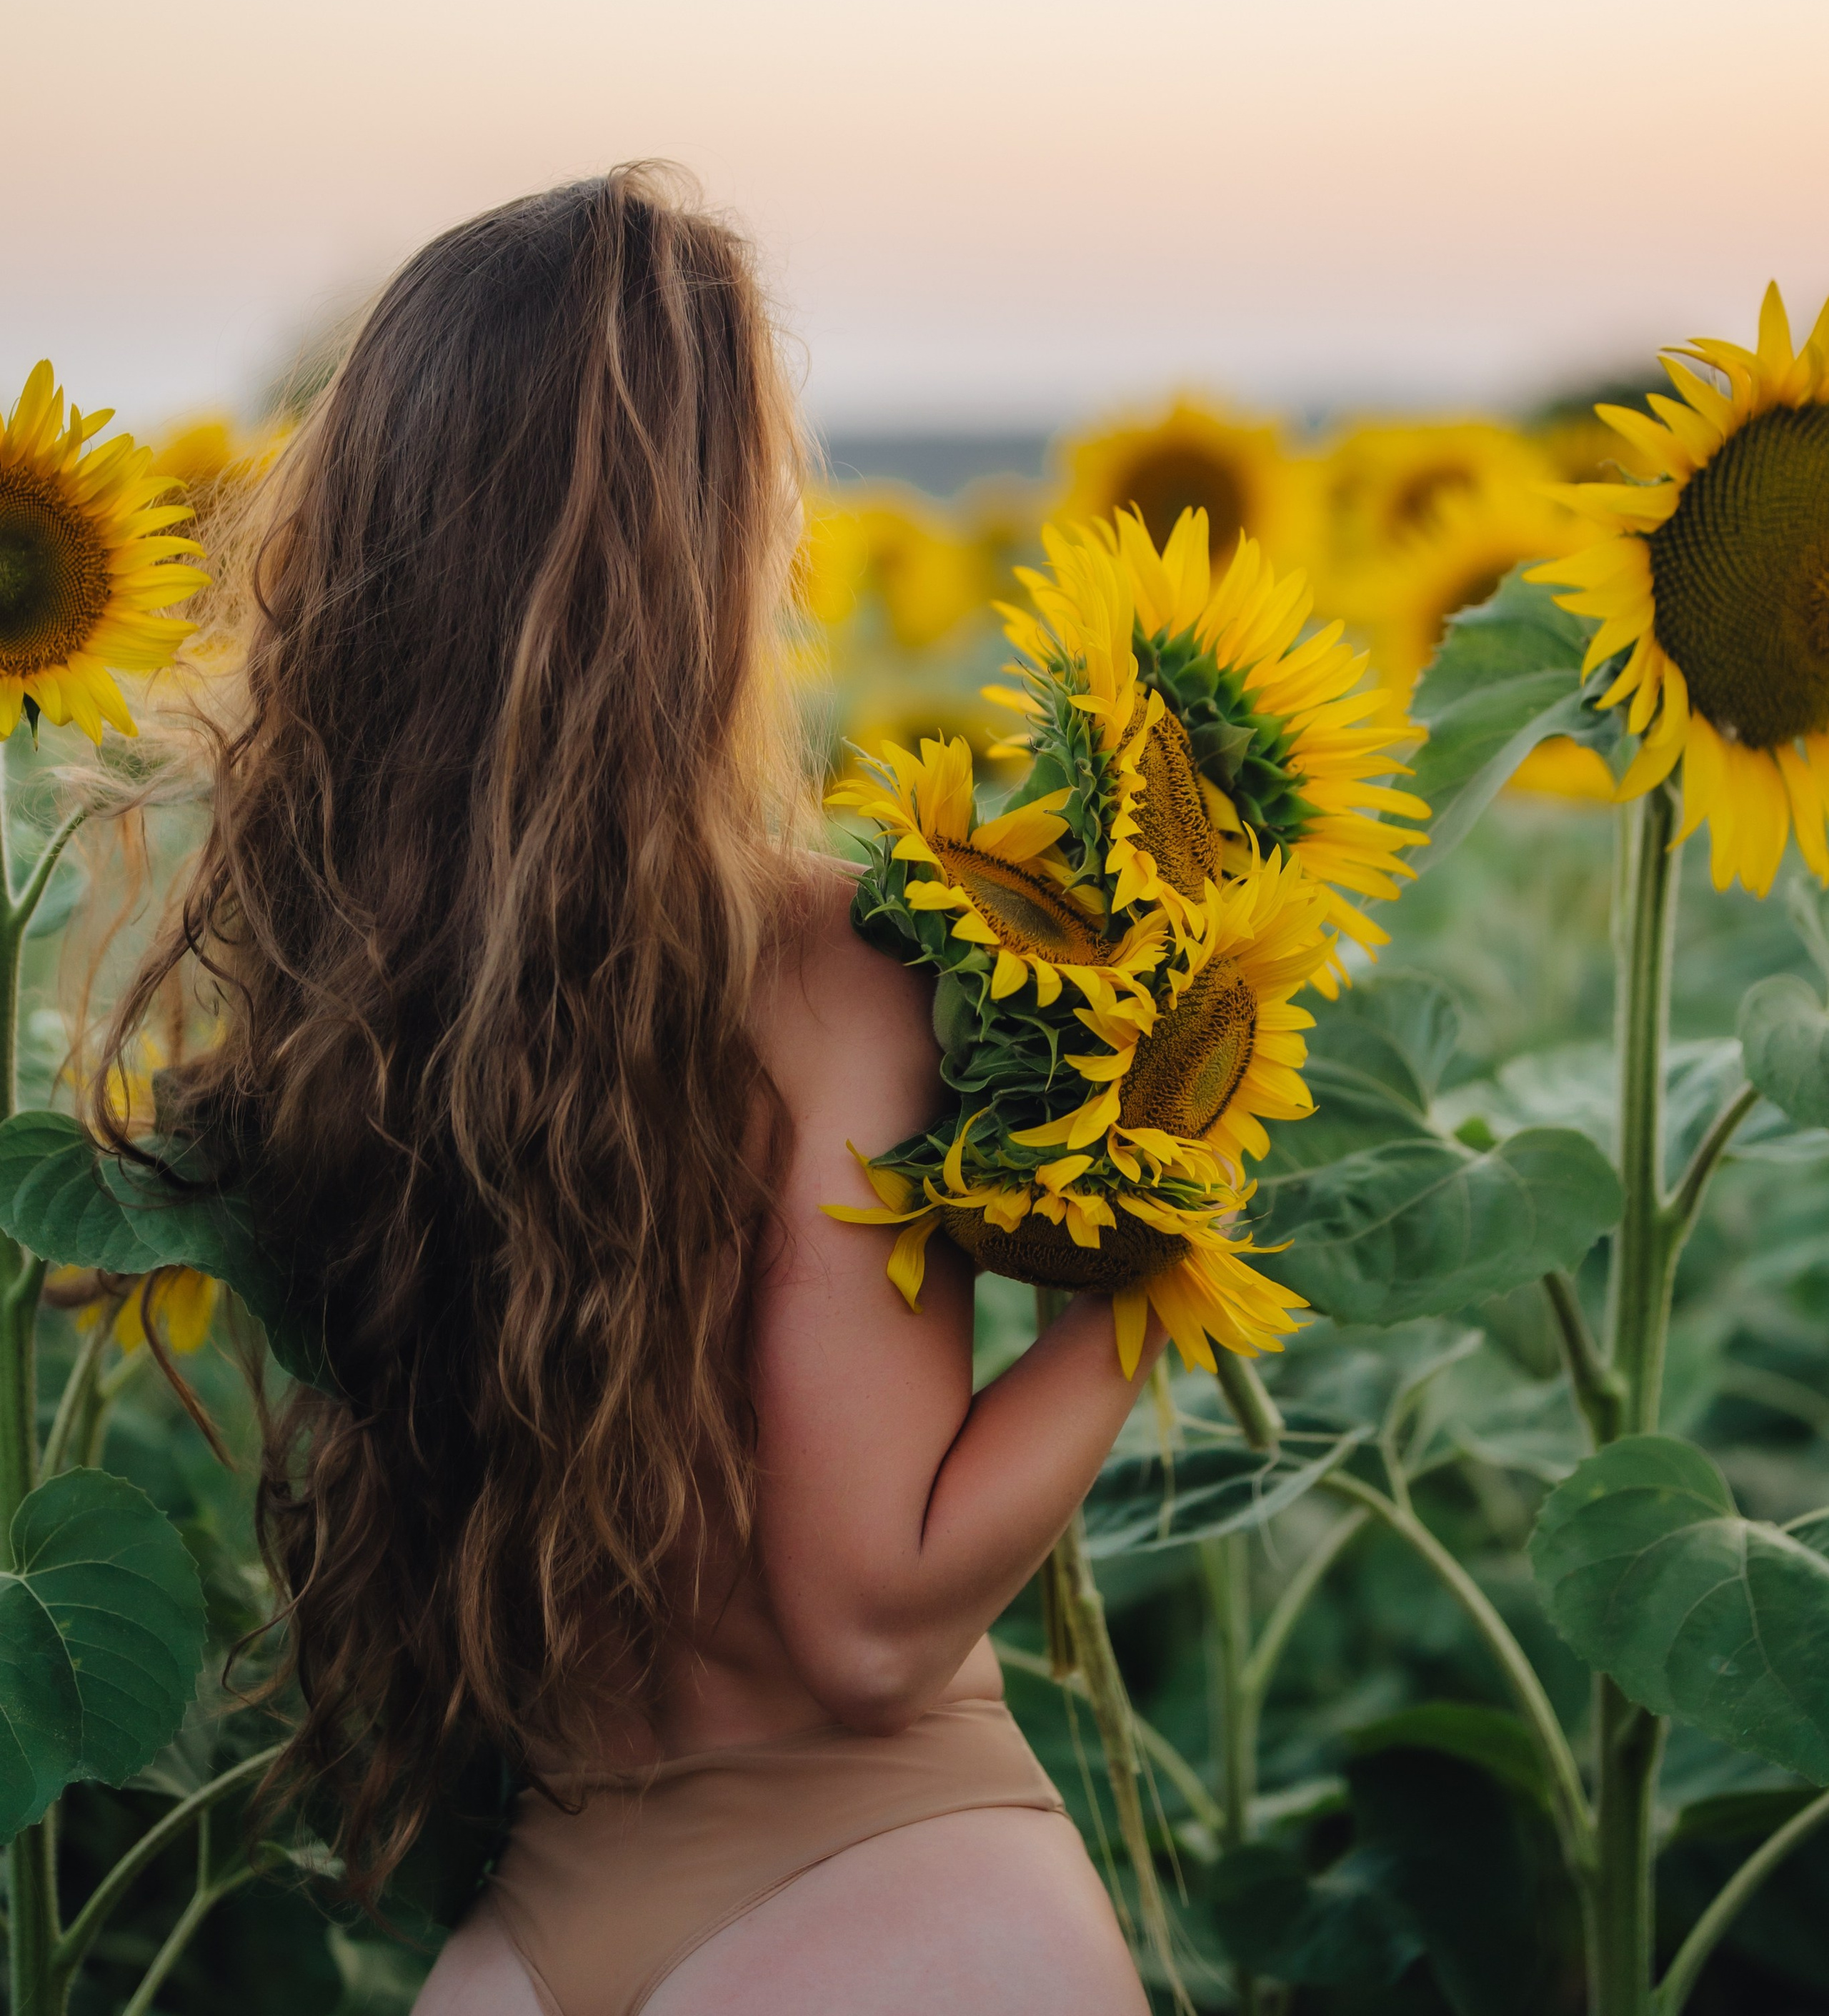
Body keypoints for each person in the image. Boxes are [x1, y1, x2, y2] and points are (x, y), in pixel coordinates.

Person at [111, 171, 1160, 2015]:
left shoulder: (355, 1034)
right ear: (712, 545)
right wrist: (1161, 1270)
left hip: (537, 1929)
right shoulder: (838, 966)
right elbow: (862, 1624)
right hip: (889, 1895)